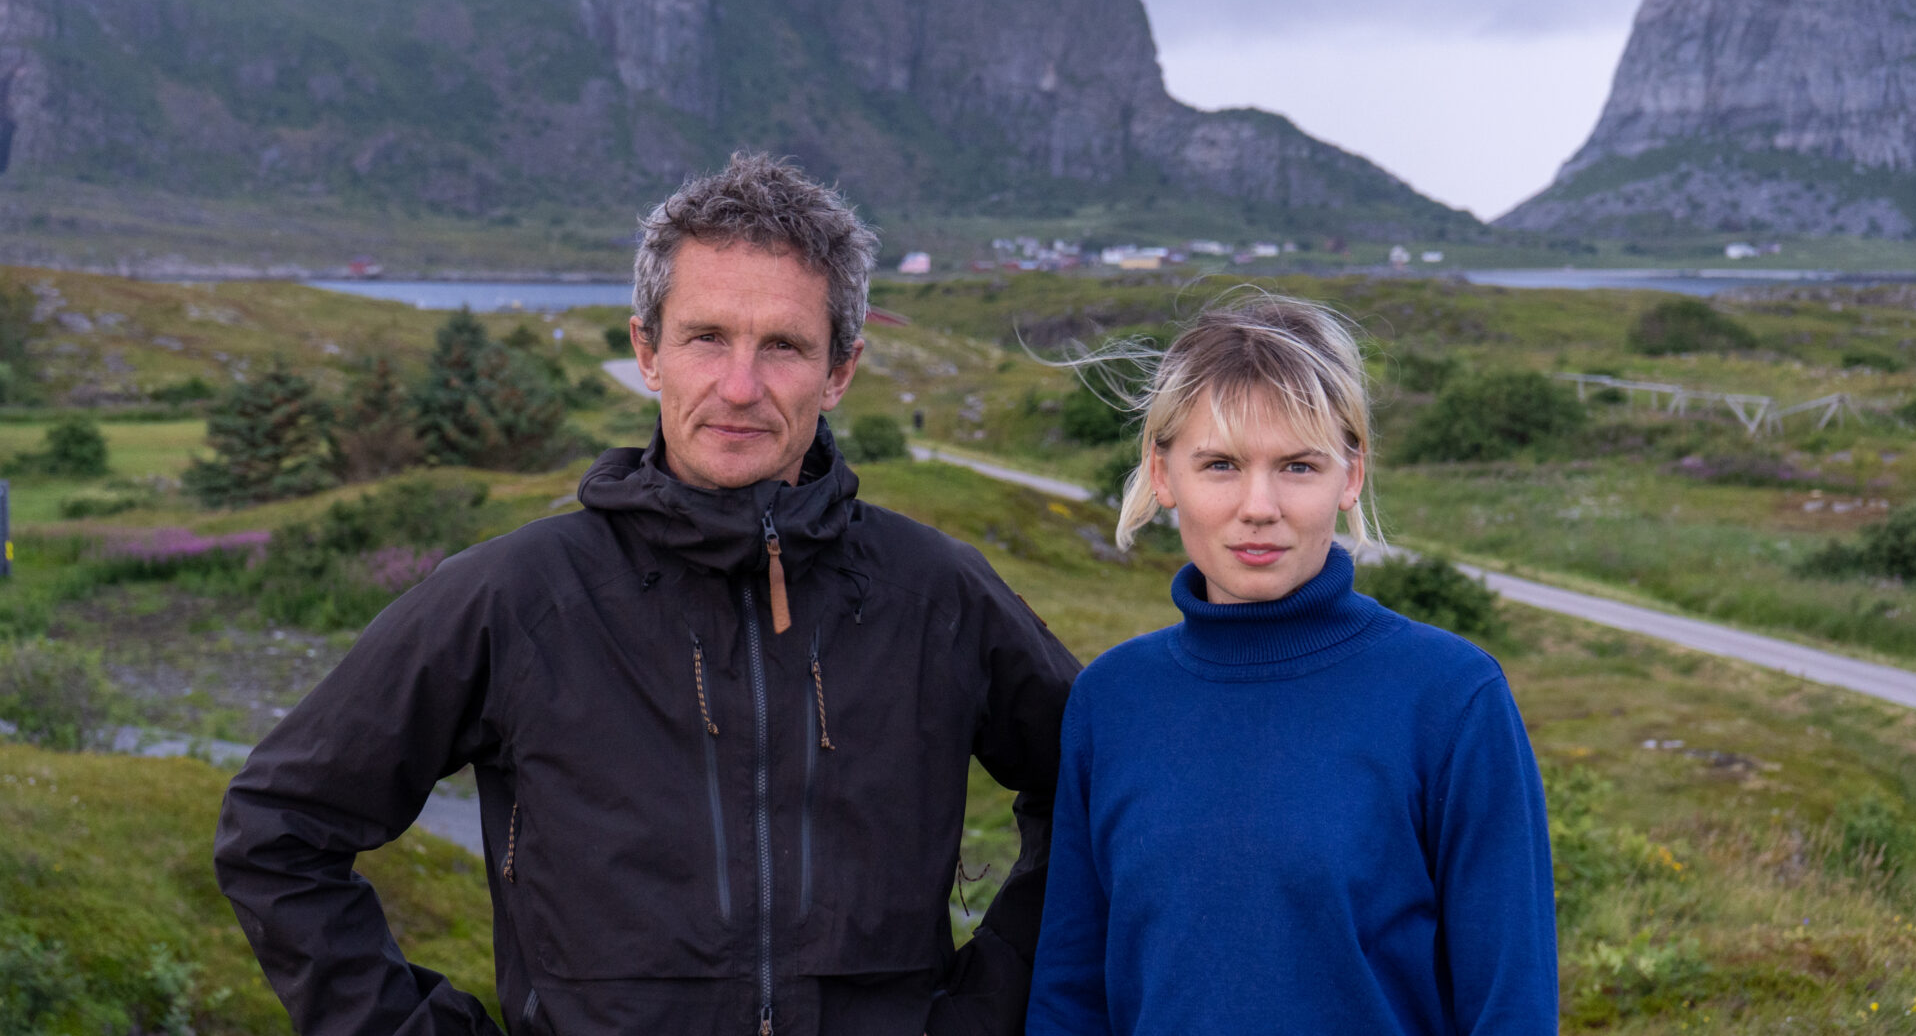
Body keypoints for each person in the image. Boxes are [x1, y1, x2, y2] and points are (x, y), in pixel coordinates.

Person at [215, 153, 1081, 1036]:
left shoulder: (937, 595)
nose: (739, 388)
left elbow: (1101, 793)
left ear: (840, 371)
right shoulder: (515, 598)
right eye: (707, 337)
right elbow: (278, 831)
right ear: (647, 351)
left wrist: (985, 1009)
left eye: (782, 345)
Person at [1025, 293, 1557, 1034]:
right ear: (1162, 475)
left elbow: (1511, 1007)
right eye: (1220, 464)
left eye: (1299, 466)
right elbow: (1069, 996)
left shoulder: (1452, 698)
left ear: (1350, 476)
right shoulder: (1111, 701)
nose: (1259, 505)